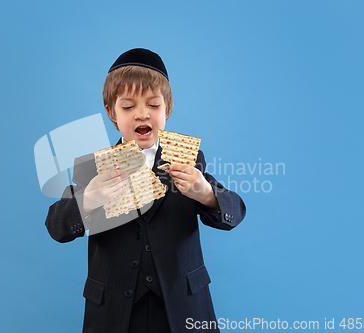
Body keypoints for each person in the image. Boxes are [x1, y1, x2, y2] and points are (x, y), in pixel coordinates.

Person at [45, 48, 246, 333]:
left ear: (168, 109)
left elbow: (235, 212)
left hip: (182, 308)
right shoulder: (92, 168)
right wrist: (88, 199)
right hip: (114, 314)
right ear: (111, 112)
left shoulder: (189, 160)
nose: (142, 113)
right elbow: (56, 226)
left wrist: (205, 193)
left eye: (153, 105)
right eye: (128, 107)